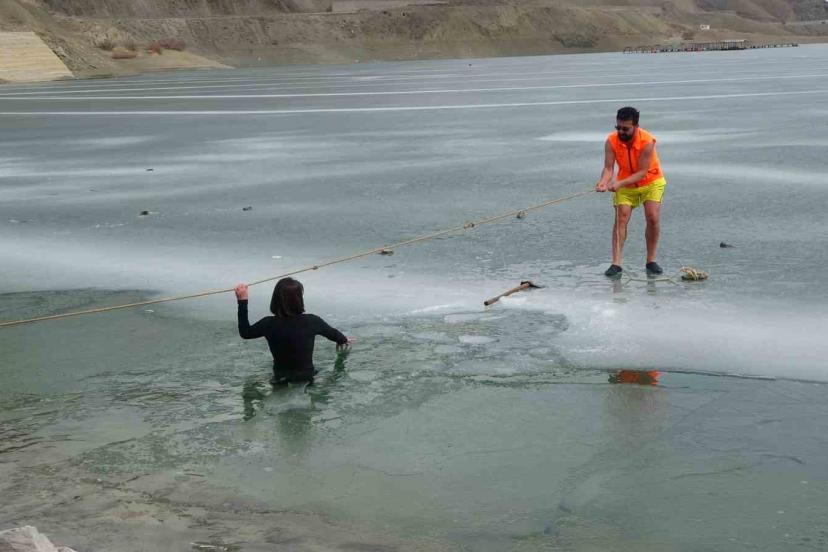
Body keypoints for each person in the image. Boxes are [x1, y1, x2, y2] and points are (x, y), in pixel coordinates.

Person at [234, 277, 352, 384]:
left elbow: (245, 332)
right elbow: (333, 334)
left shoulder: (268, 323)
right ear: (299, 299)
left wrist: (242, 301)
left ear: (275, 300)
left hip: (280, 378)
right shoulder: (312, 321)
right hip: (306, 376)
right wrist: (343, 339)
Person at [595, 106, 667, 277]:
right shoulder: (611, 141)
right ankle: (616, 263)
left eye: (625, 128)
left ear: (636, 126)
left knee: (652, 217)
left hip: (651, 182)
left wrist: (619, 183)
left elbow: (642, 173)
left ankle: (651, 260)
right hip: (625, 185)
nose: (621, 132)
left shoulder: (647, 141)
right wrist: (603, 182)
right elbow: (608, 168)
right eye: (618, 127)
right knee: (621, 218)